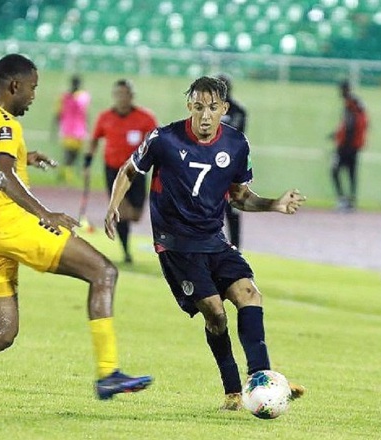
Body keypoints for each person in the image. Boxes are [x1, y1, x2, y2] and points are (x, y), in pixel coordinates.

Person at [0, 54, 152, 406]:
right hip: (13, 223)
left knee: (3, 329)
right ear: (14, 85)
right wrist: (46, 214)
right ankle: (108, 373)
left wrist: (20, 156)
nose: (33, 95)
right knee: (104, 272)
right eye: (32, 88)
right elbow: (3, 176)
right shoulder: (7, 124)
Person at [104, 76, 306, 410]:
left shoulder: (237, 144)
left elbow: (239, 196)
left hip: (214, 239)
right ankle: (231, 391)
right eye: (198, 107)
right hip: (176, 244)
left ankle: (261, 379)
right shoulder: (164, 139)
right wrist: (113, 205)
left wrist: (273, 204)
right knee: (215, 313)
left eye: (213, 108)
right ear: (190, 107)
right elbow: (129, 169)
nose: (205, 115)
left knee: (249, 294)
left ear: (224, 109)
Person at [83, 79, 158, 263]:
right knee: (121, 210)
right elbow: (94, 140)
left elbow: (157, 141)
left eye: (126, 94)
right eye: (118, 94)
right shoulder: (105, 117)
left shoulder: (145, 117)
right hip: (113, 170)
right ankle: (126, 252)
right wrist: (87, 162)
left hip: (137, 170)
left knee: (136, 215)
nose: (122, 98)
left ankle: (125, 224)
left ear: (131, 96)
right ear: (114, 96)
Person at [216, 74, 247, 250]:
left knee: (232, 208)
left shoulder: (238, 111)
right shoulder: (206, 110)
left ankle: (236, 248)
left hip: (232, 167)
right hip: (208, 166)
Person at [330, 79, 368, 212]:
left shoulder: (351, 104)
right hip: (355, 144)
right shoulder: (357, 103)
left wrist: (344, 143)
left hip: (347, 145)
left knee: (335, 170)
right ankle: (351, 201)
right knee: (351, 172)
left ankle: (343, 200)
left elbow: (350, 124)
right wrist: (336, 134)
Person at [52, 75, 90, 184]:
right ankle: (67, 176)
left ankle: (66, 174)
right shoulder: (67, 97)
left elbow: (85, 113)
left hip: (78, 129)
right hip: (69, 129)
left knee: (76, 155)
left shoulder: (80, 96)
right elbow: (59, 113)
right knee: (69, 154)